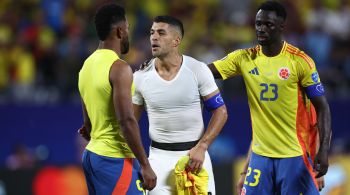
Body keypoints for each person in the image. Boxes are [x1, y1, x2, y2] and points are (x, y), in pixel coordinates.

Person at [208, 1, 332, 194]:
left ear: (282, 27)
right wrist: (172, 63)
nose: (261, 29)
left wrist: (323, 152)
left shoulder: (299, 61)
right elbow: (205, 72)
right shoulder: (244, 58)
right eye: (258, 24)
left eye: (268, 25)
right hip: (260, 158)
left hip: (294, 156)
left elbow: (322, 108)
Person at [132, 16, 228, 195]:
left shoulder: (197, 69)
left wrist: (203, 146)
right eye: (152, 33)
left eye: (161, 33)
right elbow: (130, 122)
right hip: (157, 161)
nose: (154, 37)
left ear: (177, 40)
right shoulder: (140, 77)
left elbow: (220, 111)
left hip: (195, 158)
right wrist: (143, 163)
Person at [77, 4, 156, 194]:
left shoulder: (86, 66)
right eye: (128, 28)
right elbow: (126, 121)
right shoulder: (119, 68)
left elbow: (87, 126)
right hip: (114, 159)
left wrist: (93, 128)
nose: (129, 33)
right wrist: (145, 165)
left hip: (92, 156)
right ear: (120, 31)